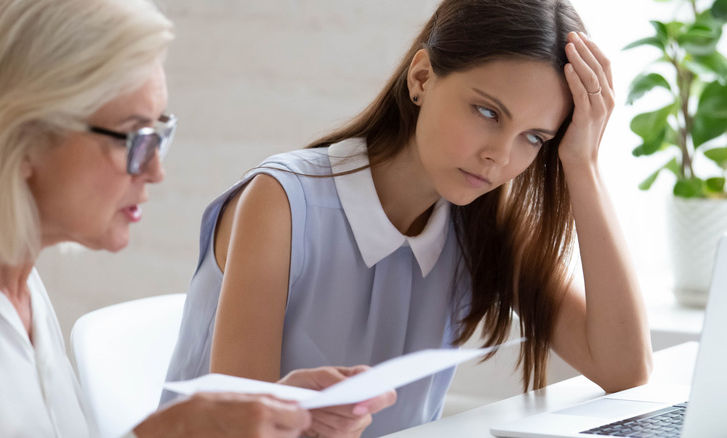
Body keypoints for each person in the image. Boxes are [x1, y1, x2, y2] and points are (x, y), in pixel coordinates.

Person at [164, 0, 655, 436]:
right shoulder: (281, 203)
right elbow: (235, 428)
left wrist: (583, 164)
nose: (499, 157)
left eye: (534, 137)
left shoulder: (483, 223)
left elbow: (624, 370)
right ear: (421, 78)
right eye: (487, 112)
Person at [0, 0, 395, 437]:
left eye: (161, 135)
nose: (156, 171)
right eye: (136, 137)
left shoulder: (20, 289)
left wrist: (272, 422)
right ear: (23, 137)